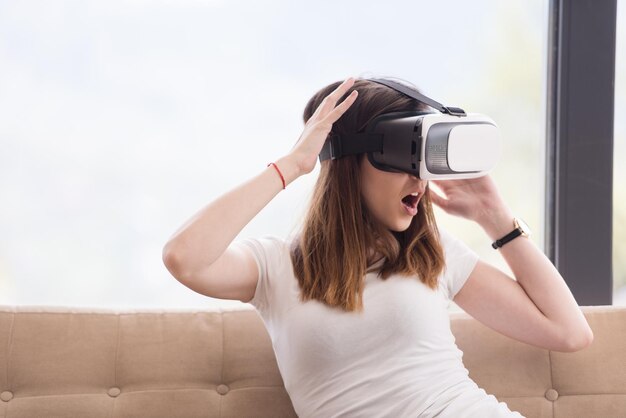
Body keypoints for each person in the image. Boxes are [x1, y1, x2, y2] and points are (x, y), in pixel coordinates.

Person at [162, 77, 594, 417]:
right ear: (349, 163)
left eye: (423, 162)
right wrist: (293, 165)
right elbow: (184, 258)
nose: (419, 180)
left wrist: (494, 217)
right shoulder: (276, 267)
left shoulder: (432, 254)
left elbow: (569, 332)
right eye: (404, 159)